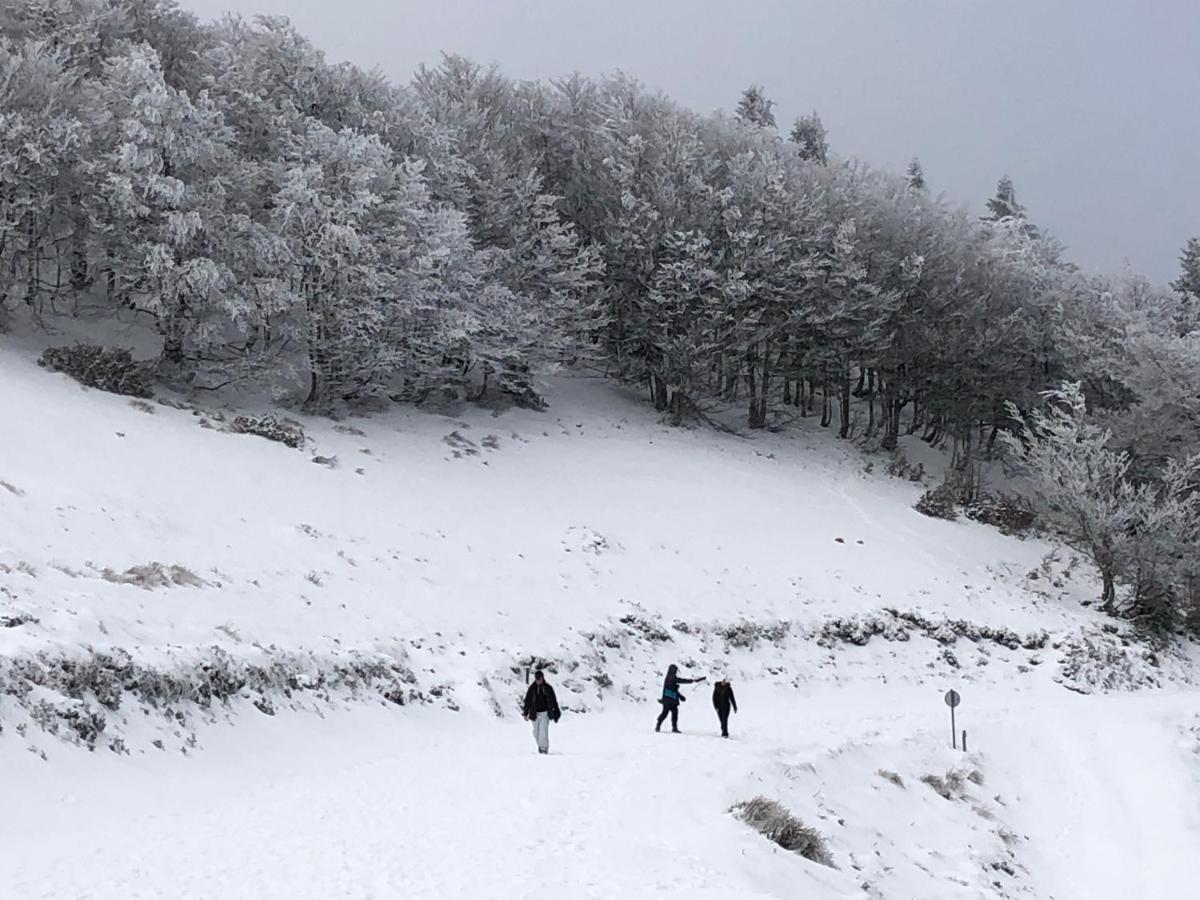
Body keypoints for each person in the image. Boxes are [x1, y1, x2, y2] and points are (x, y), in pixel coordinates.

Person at [655, 664, 705, 733]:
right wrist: (692, 681)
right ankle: (669, 727)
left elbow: (674, 689)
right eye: (675, 670)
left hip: (668, 700)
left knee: (668, 713)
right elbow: (681, 681)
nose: (676, 672)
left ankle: (661, 725)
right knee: (670, 714)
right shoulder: (671, 678)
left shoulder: (668, 677)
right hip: (670, 700)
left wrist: (680, 696)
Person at [522, 669, 560, 754]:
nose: (538, 681)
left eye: (539, 679)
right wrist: (525, 713)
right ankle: (540, 745)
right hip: (534, 714)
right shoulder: (532, 689)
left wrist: (556, 713)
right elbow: (527, 701)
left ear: (542, 678)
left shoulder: (548, 688)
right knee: (536, 732)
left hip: (545, 714)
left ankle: (544, 749)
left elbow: (553, 701)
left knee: (543, 732)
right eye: (536, 679)